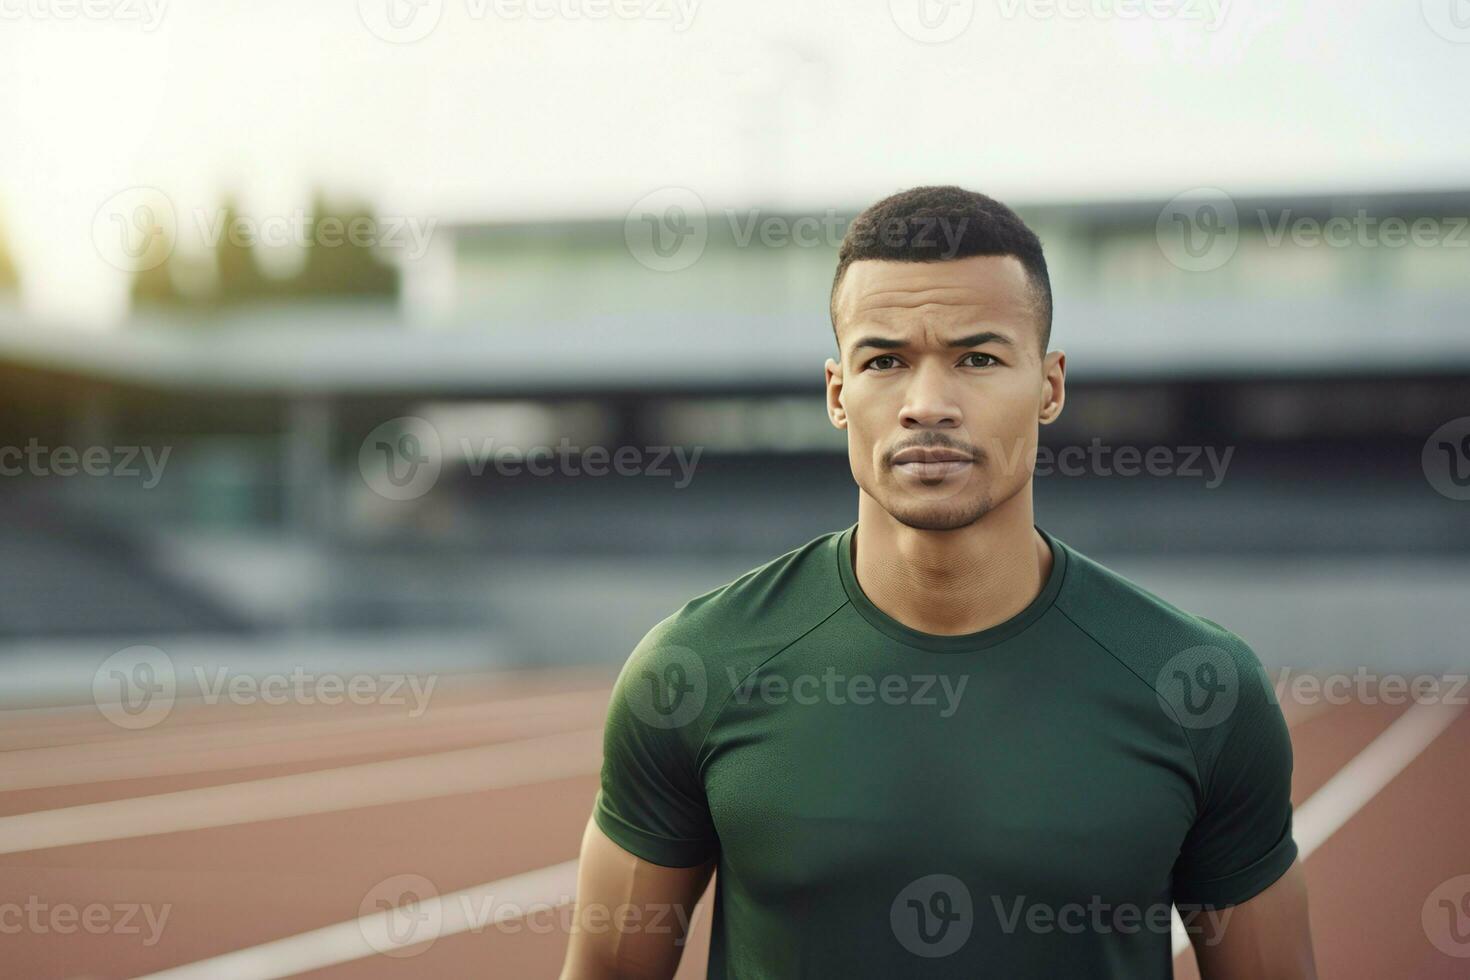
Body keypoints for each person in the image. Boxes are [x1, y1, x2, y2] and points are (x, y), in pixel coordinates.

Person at [560, 185, 1317, 979]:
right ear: (837, 393)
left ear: (1051, 386)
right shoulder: (695, 668)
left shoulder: (1199, 688)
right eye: (885, 361)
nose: (928, 405)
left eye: (978, 358)